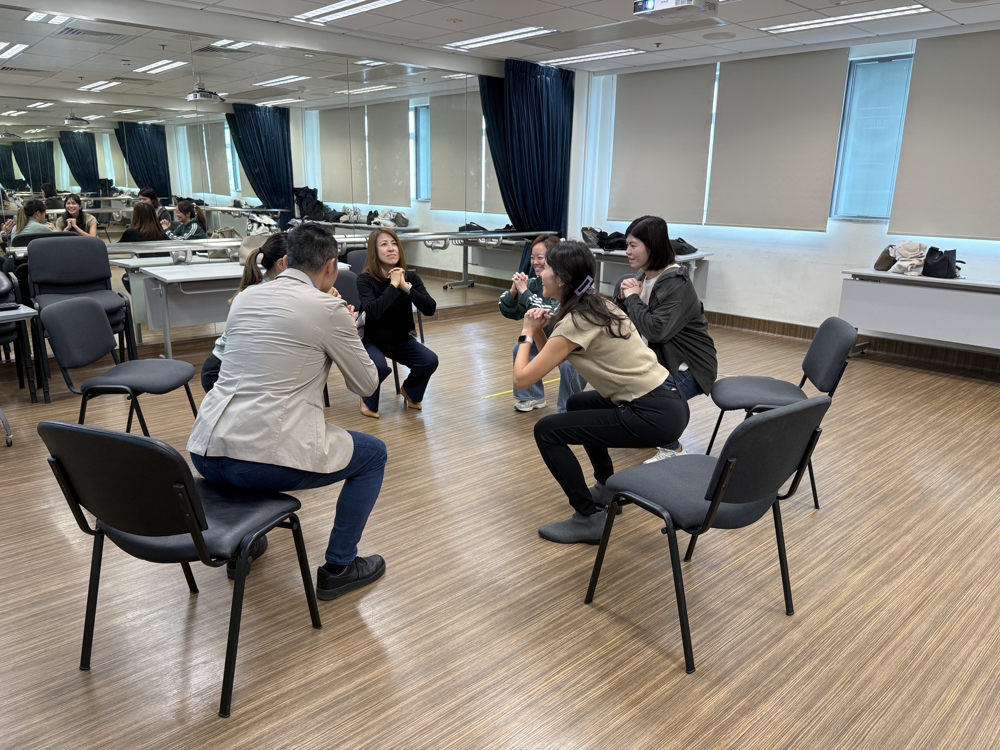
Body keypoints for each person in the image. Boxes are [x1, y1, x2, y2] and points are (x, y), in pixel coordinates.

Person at [187, 223, 387, 599]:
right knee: (374, 455)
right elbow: (367, 384)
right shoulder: (328, 308)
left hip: (205, 450)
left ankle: (245, 541)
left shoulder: (245, 297)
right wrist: (348, 328)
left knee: (254, 444)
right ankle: (340, 567)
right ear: (331, 266)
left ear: (287, 260)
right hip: (257, 461)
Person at [514, 240, 690, 544]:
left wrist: (526, 333)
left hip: (652, 414)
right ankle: (607, 487)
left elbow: (522, 379)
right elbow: (557, 357)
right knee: (578, 403)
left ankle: (587, 517)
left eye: (546, 268)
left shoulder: (575, 321)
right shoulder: (596, 304)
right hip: (668, 401)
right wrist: (540, 330)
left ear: (562, 279)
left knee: (547, 430)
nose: (539, 273)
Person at [615, 216, 717, 463]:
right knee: (620, 390)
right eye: (627, 245)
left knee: (647, 399)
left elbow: (655, 330)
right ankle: (651, 430)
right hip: (662, 362)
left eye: (633, 245)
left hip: (690, 368)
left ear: (653, 247)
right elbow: (628, 321)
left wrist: (632, 298)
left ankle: (673, 448)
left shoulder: (676, 283)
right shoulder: (643, 276)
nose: (627, 251)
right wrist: (623, 299)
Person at [498, 234, 587, 413]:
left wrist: (524, 292)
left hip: (571, 344)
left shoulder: (567, 285)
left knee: (569, 365)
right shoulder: (534, 283)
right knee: (519, 348)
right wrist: (514, 292)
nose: (535, 262)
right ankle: (532, 396)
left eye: (540, 258)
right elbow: (510, 311)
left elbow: (548, 312)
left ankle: (567, 409)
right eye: (532, 257)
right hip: (546, 340)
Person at [356, 227, 437, 418]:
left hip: (400, 340)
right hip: (372, 340)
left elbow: (430, 308)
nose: (391, 248)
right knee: (378, 366)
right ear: (374, 251)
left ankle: (410, 390)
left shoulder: (410, 278)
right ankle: (366, 397)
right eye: (384, 244)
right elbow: (374, 312)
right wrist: (393, 285)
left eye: (394, 244)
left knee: (429, 360)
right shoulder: (365, 280)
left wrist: (405, 286)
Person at [200, 233, 288, 393]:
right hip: (219, 370)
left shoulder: (274, 289)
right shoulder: (263, 293)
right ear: (282, 263)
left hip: (236, 366)